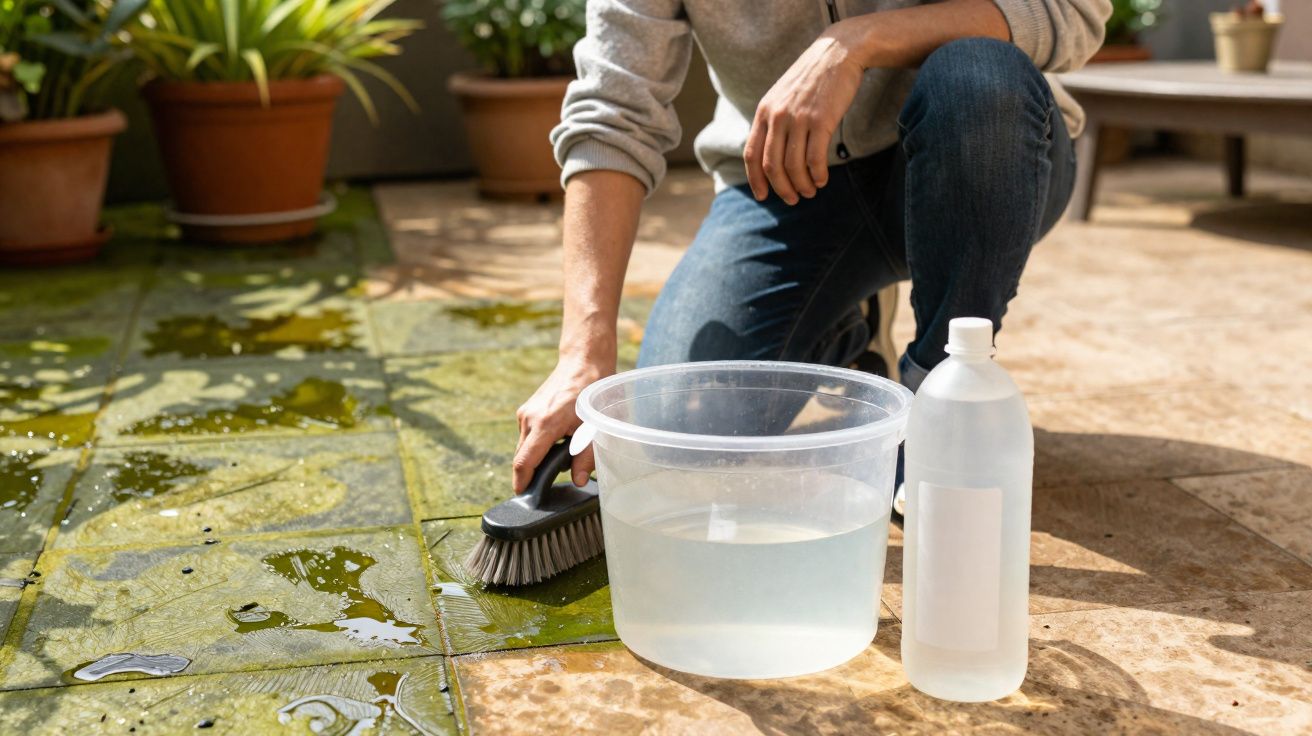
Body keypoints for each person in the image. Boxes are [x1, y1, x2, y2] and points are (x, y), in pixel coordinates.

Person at [512, 0, 1111, 494]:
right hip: (788, 180)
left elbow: (1071, 14)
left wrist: (856, 43)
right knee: (685, 430)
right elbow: (615, 112)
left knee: (978, 75)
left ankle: (943, 400)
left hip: (979, 148)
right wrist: (582, 353)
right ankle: (847, 332)